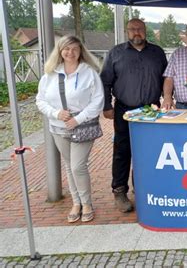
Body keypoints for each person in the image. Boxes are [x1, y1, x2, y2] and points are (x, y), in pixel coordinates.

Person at [100, 18, 167, 213]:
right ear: (126, 31)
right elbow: (105, 82)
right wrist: (106, 106)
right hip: (125, 110)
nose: (136, 32)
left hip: (152, 110)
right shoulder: (116, 53)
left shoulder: (157, 52)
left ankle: (143, 188)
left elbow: (166, 78)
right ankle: (119, 190)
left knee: (149, 151)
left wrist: (168, 100)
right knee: (122, 150)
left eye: (140, 29)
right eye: (132, 29)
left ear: (145, 31)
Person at [36, 35, 104, 223]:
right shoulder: (49, 74)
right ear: (59, 51)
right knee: (69, 165)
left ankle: (87, 203)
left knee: (78, 166)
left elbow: (98, 101)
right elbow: (40, 100)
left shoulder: (89, 73)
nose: (70, 52)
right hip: (58, 128)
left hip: (83, 126)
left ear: (81, 51)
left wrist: (78, 118)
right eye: (66, 48)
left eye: (74, 48)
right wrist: (56, 113)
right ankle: (76, 203)